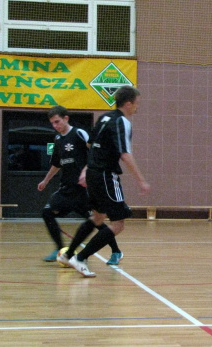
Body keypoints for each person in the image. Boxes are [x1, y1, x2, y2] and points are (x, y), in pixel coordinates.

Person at [58, 86, 150, 277]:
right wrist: (141, 180)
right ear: (128, 103)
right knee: (118, 224)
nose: (137, 108)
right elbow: (125, 154)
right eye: (136, 104)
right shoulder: (122, 122)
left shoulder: (104, 118)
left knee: (98, 217)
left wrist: (86, 168)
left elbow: (91, 146)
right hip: (107, 176)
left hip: (93, 174)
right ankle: (80, 257)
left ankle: (68, 255)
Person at [38, 105, 124, 266]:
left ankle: (116, 251)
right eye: (52, 123)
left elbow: (94, 154)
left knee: (96, 221)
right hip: (67, 190)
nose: (55, 126)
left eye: (57, 122)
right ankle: (60, 249)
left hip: (85, 189)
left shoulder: (79, 133)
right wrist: (46, 180)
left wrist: (86, 171)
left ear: (66, 118)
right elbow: (57, 164)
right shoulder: (58, 139)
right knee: (47, 213)